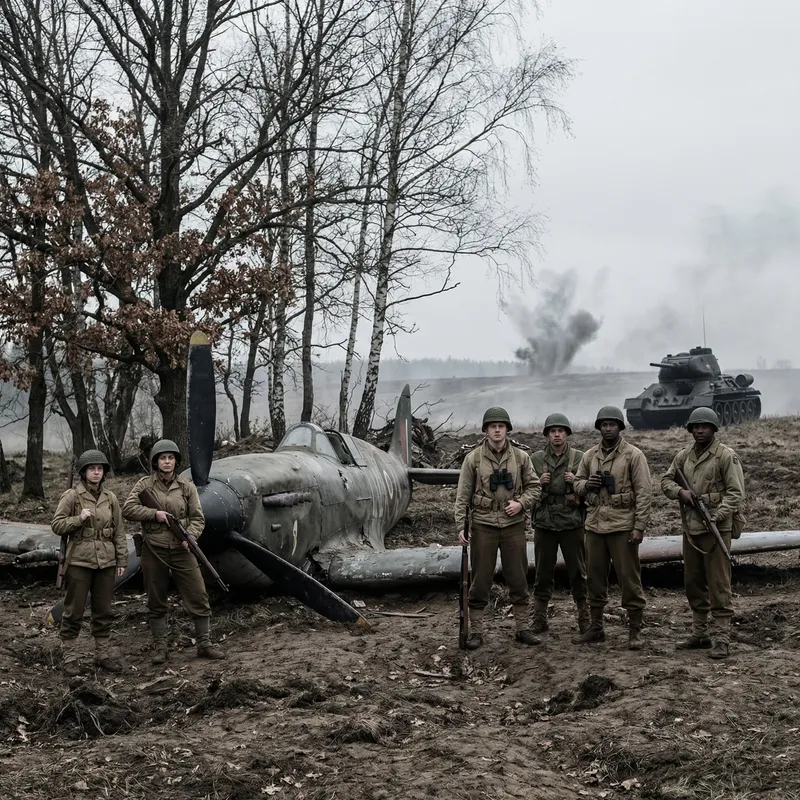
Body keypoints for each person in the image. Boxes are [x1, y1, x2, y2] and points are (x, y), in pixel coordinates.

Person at [122, 439, 224, 664]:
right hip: (153, 550)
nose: (166, 462)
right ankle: (161, 648)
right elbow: (127, 509)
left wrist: (191, 537)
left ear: (176, 462)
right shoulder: (144, 485)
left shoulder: (187, 487)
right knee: (156, 599)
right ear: (156, 462)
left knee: (198, 595)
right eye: (162, 458)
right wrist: (153, 514)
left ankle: (204, 644)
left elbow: (198, 518)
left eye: (170, 458)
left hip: (182, 549)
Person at [660, 407, 745, 660]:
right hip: (692, 528)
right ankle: (700, 634)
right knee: (693, 581)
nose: (699, 430)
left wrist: (717, 515)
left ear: (714, 429)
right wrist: (681, 493)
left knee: (719, 583)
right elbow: (666, 481)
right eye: (695, 427)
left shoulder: (725, 456)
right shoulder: (683, 456)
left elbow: (735, 493)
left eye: (704, 426)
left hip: (717, 528)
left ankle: (722, 639)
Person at [454, 407, 541, 649]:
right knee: (480, 579)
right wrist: (461, 525)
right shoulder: (473, 459)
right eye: (492, 426)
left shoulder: (521, 457)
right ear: (485, 430)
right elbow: (463, 495)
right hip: (483, 525)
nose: (497, 430)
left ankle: (523, 628)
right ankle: (477, 631)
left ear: (507, 429)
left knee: (519, 577)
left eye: (501, 426)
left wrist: (520, 504)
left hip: (513, 525)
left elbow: (535, 487)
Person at [572, 406, 652, 649]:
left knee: (629, 579)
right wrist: (587, 485)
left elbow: (644, 492)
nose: (608, 428)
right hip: (595, 526)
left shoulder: (633, 455)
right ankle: (596, 627)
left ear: (619, 426)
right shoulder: (589, 456)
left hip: (622, 527)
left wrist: (639, 526)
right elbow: (575, 484)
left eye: (612, 424)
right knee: (594, 578)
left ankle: (635, 630)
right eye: (604, 424)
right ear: (599, 427)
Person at [51, 449, 127, 676]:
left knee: (103, 610)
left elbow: (120, 532)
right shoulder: (72, 496)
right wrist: (78, 519)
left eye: (100, 469)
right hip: (80, 561)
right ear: (83, 472)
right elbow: (57, 525)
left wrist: (121, 559)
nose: (96, 472)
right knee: (73, 610)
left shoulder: (111, 498)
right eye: (92, 469)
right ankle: (70, 657)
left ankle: (102, 655)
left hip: (106, 561)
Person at [529, 413, 589, 634]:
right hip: (545, 523)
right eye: (552, 431)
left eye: (561, 431)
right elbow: (525, 491)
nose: (557, 435)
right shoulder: (534, 460)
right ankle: (539, 618)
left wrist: (576, 483)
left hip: (572, 522)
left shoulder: (580, 458)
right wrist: (540, 484)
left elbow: (589, 491)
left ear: (567, 434)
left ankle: (584, 617)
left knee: (578, 572)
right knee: (542, 573)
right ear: (547, 434)